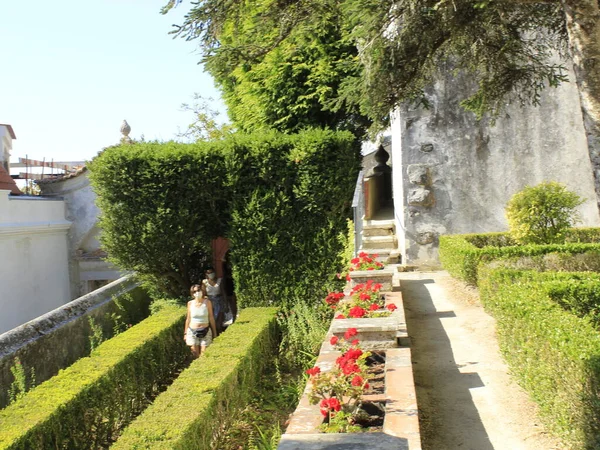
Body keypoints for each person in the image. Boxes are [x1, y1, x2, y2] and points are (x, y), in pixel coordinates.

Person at [184, 283, 217, 358]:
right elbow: (188, 319)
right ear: (192, 293)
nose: (197, 293)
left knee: (204, 355)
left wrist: (214, 333)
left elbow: (211, 317)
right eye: (194, 292)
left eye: (198, 290)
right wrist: (185, 333)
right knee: (195, 354)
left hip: (205, 330)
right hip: (192, 331)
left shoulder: (207, 302)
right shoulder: (190, 303)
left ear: (202, 291)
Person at [203, 266, 226, 333]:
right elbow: (203, 294)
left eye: (211, 272)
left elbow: (223, 292)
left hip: (219, 301)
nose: (210, 274)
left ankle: (220, 334)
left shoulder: (219, 280)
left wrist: (226, 303)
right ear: (206, 274)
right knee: (212, 321)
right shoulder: (205, 282)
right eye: (208, 273)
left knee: (219, 323)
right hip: (210, 303)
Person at [222, 251, 237, 326]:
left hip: (235, 280)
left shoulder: (235, 262)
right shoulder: (225, 264)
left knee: (234, 299)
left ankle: (235, 315)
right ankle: (233, 316)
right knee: (231, 299)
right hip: (228, 281)